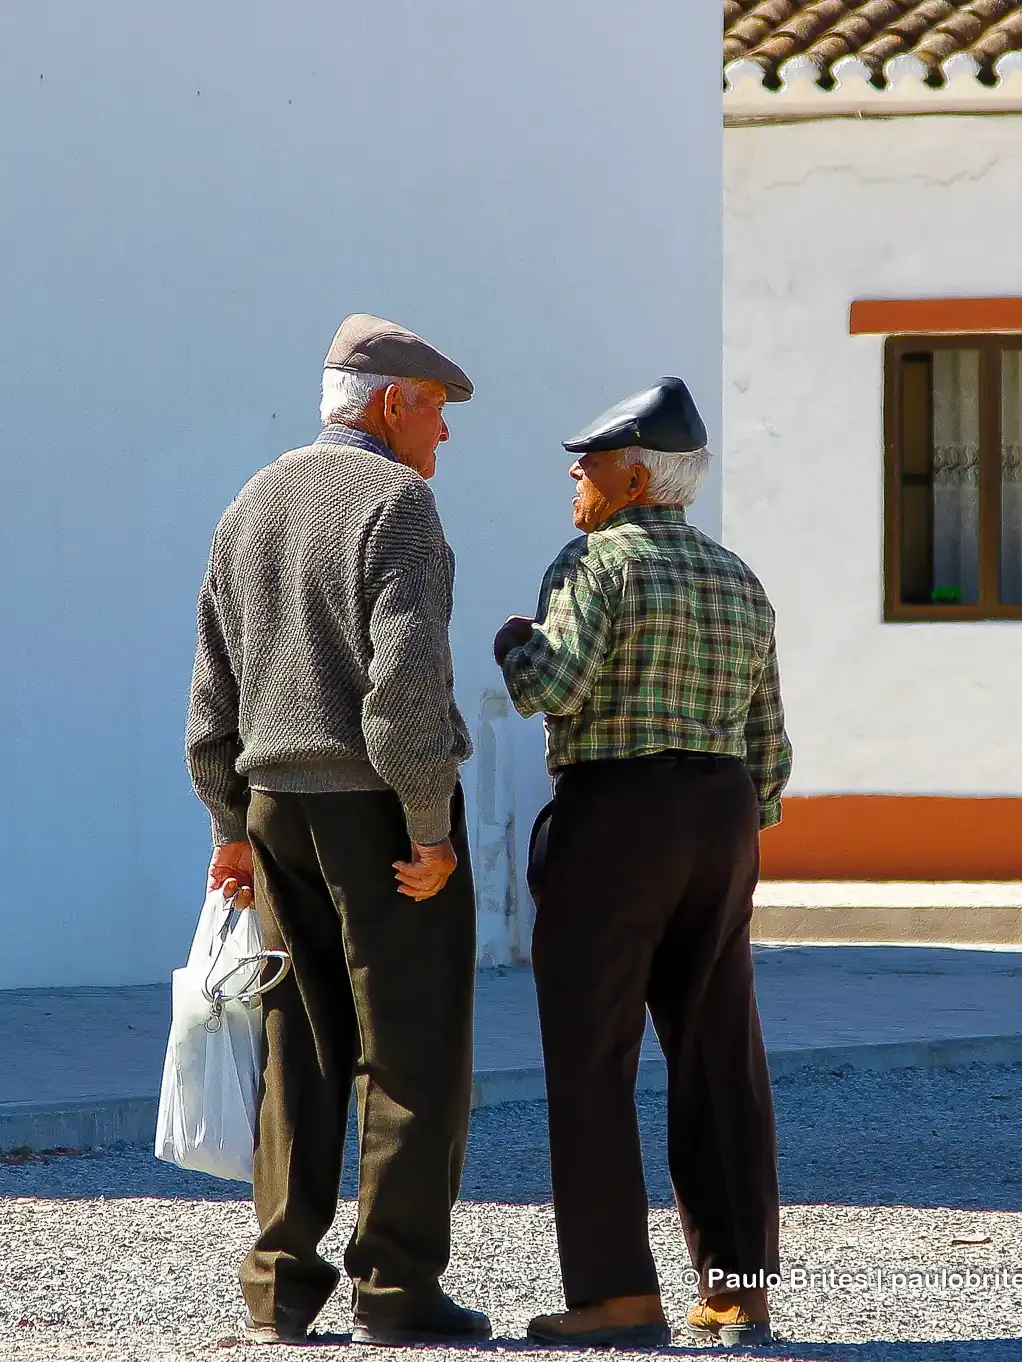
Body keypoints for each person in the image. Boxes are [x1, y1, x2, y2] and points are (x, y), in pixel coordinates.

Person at [186, 314, 489, 1347]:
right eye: (437, 414)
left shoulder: (251, 503)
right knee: (413, 1050)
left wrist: (229, 821)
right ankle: (397, 1291)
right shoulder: (397, 506)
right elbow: (406, 692)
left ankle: (279, 1285)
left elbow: (212, 688)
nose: (441, 440)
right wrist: (429, 827)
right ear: (393, 402)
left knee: (299, 1044)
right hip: (376, 811)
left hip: (275, 810)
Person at [497, 377, 791, 1350]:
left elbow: (558, 681)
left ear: (632, 479)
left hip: (618, 817)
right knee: (719, 1056)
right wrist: (737, 830)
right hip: (723, 816)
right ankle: (737, 1287)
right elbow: (772, 750)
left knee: (593, 1059)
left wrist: (513, 646)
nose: (575, 479)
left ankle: (617, 1294)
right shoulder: (738, 578)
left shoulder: (596, 566)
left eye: (588, 466)